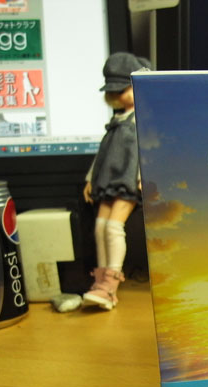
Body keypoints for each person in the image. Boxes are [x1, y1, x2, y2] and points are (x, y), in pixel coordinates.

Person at [82, 52, 150, 310]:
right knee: (100, 226)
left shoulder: (142, 118)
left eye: (123, 89)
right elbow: (104, 152)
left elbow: (146, 150)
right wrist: (91, 178)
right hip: (108, 179)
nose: (119, 96)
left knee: (113, 227)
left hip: (128, 179)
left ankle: (110, 285)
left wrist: (145, 176)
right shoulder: (117, 121)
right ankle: (100, 283)